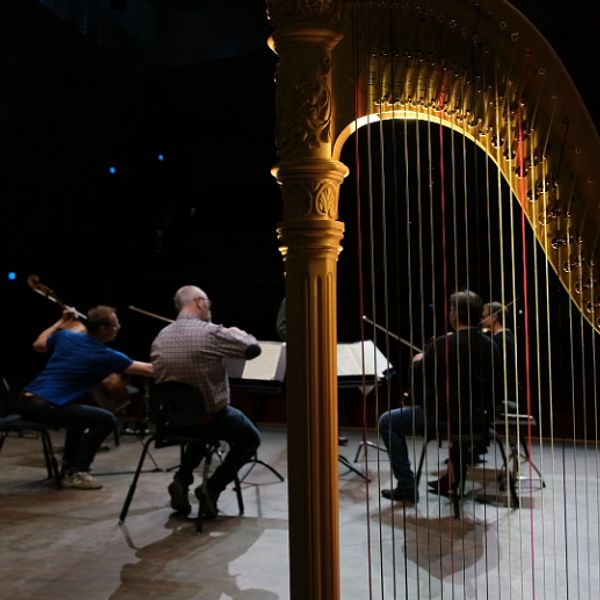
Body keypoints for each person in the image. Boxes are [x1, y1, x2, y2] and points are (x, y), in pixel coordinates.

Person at [378, 289, 503, 502]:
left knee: (387, 421)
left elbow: (417, 386)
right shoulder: (491, 346)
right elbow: (497, 388)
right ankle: (453, 479)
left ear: (455, 314)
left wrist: (419, 362)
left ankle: (407, 485)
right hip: (478, 421)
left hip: (442, 419)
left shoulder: (442, 344)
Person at [151, 284, 262, 519]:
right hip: (211, 417)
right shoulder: (211, 332)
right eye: (208, 302)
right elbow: (253, 349)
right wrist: (237, 332)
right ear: (199, 302)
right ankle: (212, 488)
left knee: (200, 432)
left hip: (173, 421)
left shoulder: (161, 336)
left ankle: (182, 479)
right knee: (250, 440)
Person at [19, 306, 155, 490]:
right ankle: (78, 472)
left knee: (81, 414)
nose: (119, 327)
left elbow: (39, 344)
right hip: (45, 406)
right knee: (106, 419)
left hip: (26, 402)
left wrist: (61, 321)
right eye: (115, 325)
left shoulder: (66, 336)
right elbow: (149, 370)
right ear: (103, 330)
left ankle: (69, 466)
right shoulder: (107, 355)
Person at [481, 301, 518, 413]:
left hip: (498, 395)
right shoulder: (507, 337)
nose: (482, 320)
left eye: (484, 317)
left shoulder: (500, 340)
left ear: (494, 318)